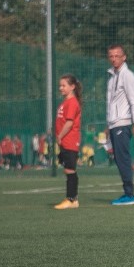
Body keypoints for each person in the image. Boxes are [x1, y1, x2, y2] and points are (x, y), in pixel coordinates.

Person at [106, 44, 134, 205]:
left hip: (123, 123)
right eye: (111, 56)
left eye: (117, 56)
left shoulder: (128, 75)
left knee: (123, 159)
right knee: (119, 160)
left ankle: (130, 194)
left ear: (124, 57)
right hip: (114, 124)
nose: (114, 59)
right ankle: (128, 192)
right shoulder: (112, 77)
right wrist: (108, 125)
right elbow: (110, 104)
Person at [53, 74, 83, 209]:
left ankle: (71, 199)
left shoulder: (72, 102)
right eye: (60, 85)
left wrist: (60, 136)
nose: (61, 88)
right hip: (65, 141)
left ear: (72, 87)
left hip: (70, 140)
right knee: (68, 169)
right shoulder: (65, 102)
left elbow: (69, 123)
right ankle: (72, 199)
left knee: (70, 169)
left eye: (64, 85)